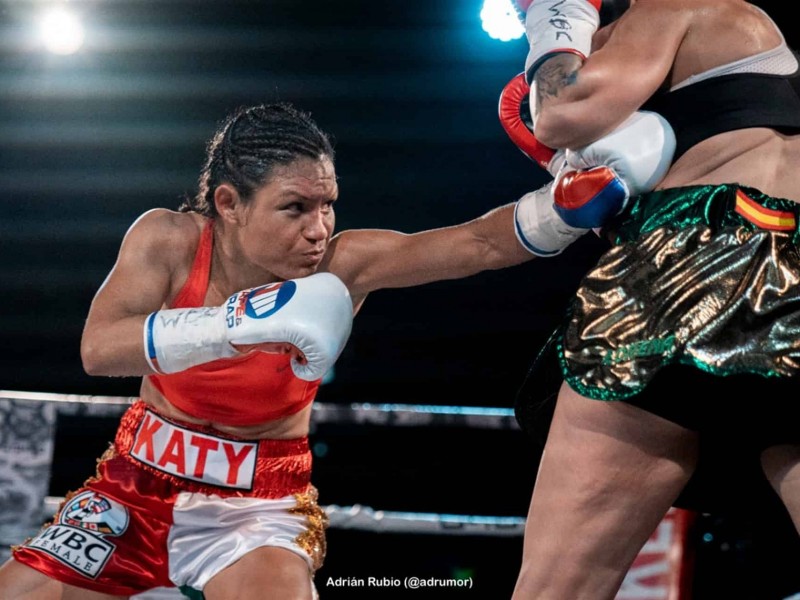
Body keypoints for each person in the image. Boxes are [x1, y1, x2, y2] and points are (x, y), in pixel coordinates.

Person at [0, 98, 673, 599]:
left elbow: (474, 243)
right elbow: (98, 347)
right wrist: (233, 323)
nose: (320, 228)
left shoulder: (341, 269)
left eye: (329, 204)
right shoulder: (169, 240)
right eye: (296, 208)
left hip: (255, 507)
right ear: (229, 203)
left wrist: (561, 207)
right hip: (132, 488)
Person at [510, 0, 800, 598]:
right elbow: (508, 236)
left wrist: (554, 26)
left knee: (558, 586)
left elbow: (563, 109)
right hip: (790, 269)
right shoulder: (632, 68)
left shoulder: (676, 5)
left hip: (691, 256)